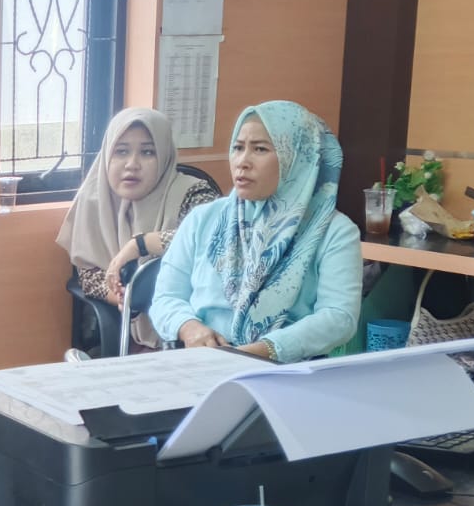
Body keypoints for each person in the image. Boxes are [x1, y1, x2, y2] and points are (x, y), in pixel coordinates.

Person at [148, 101, 362, 363]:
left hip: (286, 369)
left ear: (297, 157)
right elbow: (166, 298)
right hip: (202, 361)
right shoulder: (203, 219)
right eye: (238, 148)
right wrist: (189, 328)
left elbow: (339, 317)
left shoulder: (335, 231)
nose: (242, 162)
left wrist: (265, 350)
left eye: (260, 149)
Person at [56, 107, 218, 348]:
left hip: (198, 331)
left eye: (147, 152)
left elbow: (212, 239)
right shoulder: (94, 200)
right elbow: (88, 274)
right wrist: (121, 296)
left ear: (164, 155)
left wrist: (141, 244)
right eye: (121, 151)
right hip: (132, 334)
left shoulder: (194, 192)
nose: (132, 164)